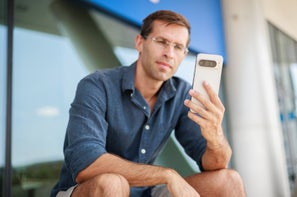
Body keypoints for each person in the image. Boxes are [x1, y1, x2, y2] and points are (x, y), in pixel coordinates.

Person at [51, 10, 246, 197]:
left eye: (178, 47)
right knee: (112, 183)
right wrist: (167, 175)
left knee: (229, 180)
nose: (169, 53)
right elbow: (86, 163)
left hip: (145, 192)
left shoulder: (182, 94)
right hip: (83, 190)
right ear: (139, 43)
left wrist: (216, 137)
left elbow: (215, 165)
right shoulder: (97, 85)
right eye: (161, 41)